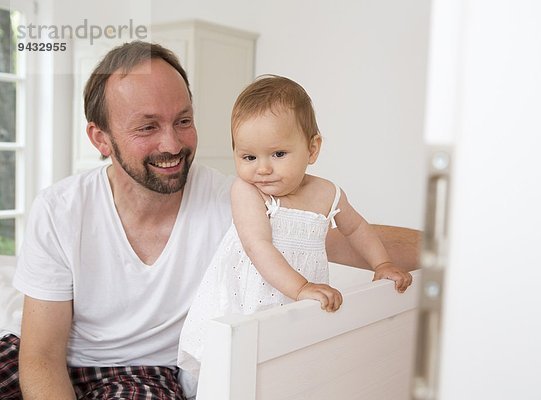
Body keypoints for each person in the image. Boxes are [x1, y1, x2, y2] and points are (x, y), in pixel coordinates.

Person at [0, 41, 420, 399]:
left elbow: (338, 236)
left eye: (183, 120)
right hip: (43, 358)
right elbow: (40, 357)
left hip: (142, 373)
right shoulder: (60, 208)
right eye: (147, 127)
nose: (172, 143)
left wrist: (460, 244)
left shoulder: (235, 201)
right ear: (101, 138)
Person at [177, 75, 413, 380]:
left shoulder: (327, 193)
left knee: (293, 365)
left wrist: (381, 263)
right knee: (233, 369)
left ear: (312, 149)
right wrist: (300, 287)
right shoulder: (248, 191)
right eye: (249, 156)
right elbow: (257, 246)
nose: (262, 168)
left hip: (300, 294)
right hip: (247, 300)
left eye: (278, 154)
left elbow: (356, 230)